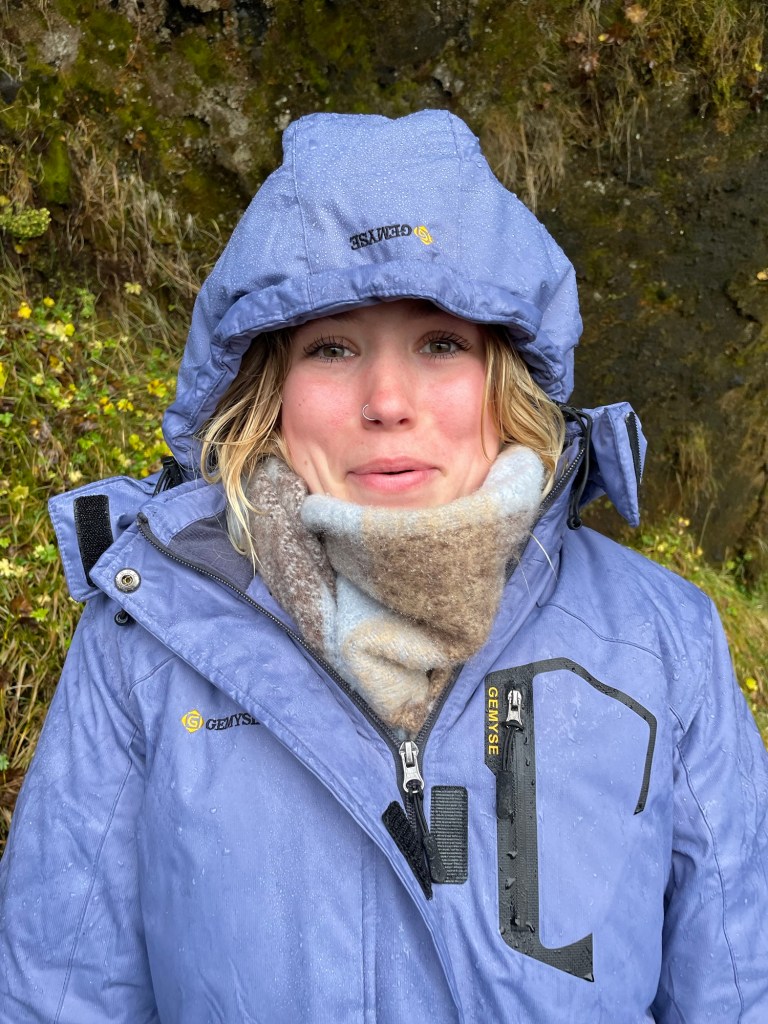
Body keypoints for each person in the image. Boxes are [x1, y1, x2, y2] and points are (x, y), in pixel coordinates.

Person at [1, 109, 766, 1023]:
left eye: (441, 343)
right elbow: (58, 997)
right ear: (267, 391)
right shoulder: (144, 642)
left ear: (506, 377)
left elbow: (738, 990)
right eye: (332, 348)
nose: (388, 401)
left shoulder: (663, 640)